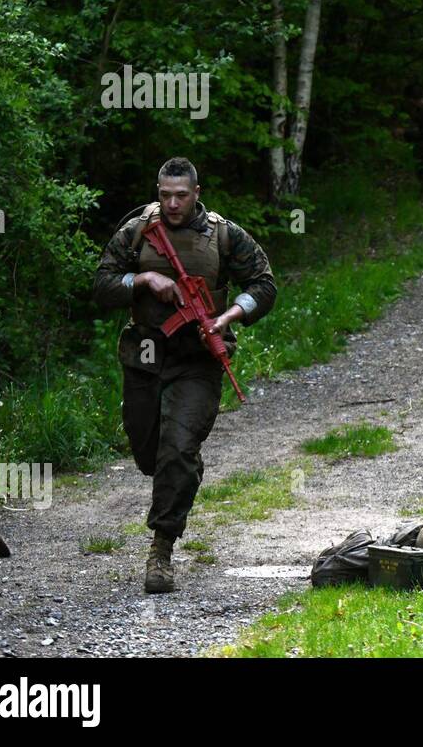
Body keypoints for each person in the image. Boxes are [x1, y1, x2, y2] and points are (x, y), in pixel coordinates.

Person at [93, 157, 277, 594]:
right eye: (165, 194)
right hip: (145, 355)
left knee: (176, 449)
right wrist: (142, 281)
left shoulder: (225, 235)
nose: (172, 203)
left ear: (197, 192)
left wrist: (228, 316)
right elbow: (100, 286)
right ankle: (182, 468)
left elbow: (265, 285)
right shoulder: (137, 229)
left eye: (181, 195)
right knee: (149, 454)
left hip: (198, 360)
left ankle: (161, 549)